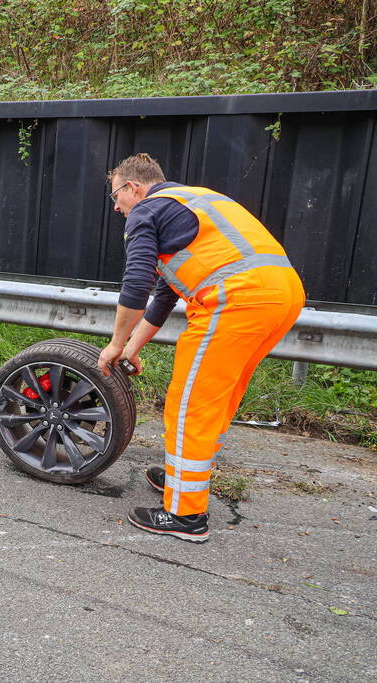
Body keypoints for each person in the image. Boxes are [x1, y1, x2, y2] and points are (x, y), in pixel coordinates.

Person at [97, 153, 304, 543]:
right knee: (218, 396)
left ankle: (185, 516)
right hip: (283, 296)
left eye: (116, 196)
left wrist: (115, 344)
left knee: (190, 403)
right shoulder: (196, 199)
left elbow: (137, 284)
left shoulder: (146, 211)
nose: (116, 207)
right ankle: (184, 479)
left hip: (236, 299)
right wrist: (133, 348)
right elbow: (163, 295)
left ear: (133, 188)